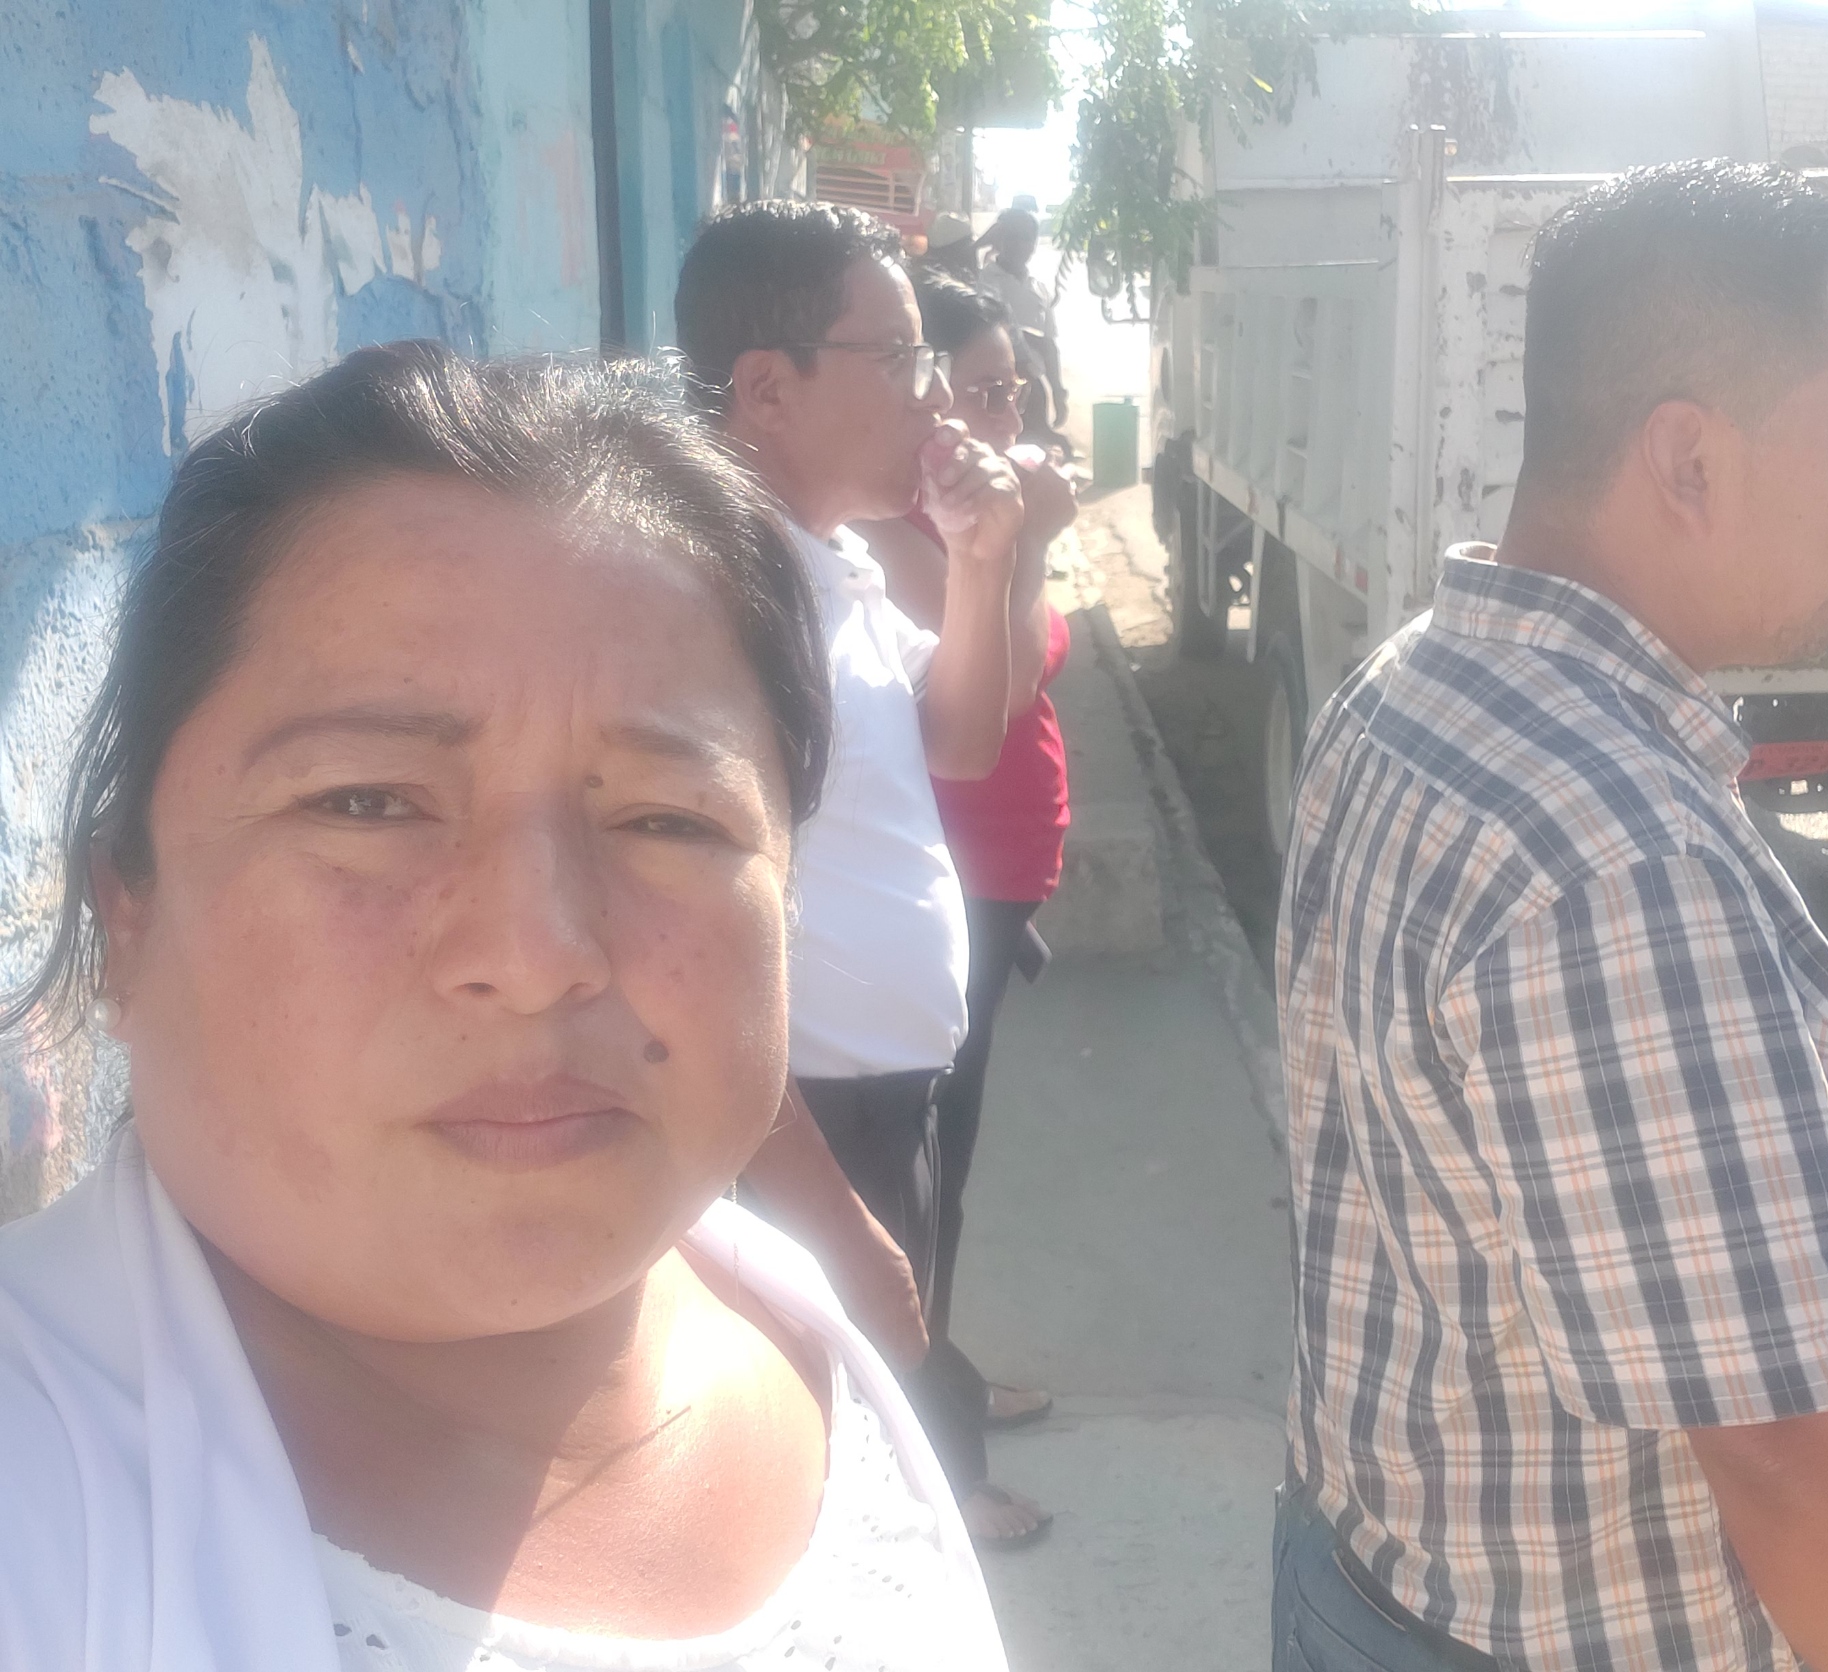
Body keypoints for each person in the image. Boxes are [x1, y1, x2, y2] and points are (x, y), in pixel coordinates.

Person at [0, 342, 1007, 1672]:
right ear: (127, 913)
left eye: (665, 817)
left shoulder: (792, 1326)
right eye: (367, 802)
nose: (538, 954)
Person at [1274, 161, 1828, 1672]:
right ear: (1687, 460)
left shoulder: (1409, 684)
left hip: (1357, 1575)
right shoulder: (1620, 865)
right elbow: (1798, 1458)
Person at [674, 200, 1051, 1547]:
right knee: (800, 1491)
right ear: (767, 388)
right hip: (800, 1131)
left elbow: (960, 737)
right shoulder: (719, 601)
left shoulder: (824, 562)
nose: (932, 397)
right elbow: (679, 952)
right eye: (895, 358)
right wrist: (827, 1215)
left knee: (854, 1471)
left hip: (886, 1100)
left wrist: (984, 561)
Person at [858, 272, 1075, 1445]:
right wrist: (1023, 546)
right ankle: (935, 1438)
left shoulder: (947, 523)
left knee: (951, 1157)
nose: (1002, 413)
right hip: (955, 876)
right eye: (980, 390)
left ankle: (943, 1376)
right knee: (924, 1167)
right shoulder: (896, 535)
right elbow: (1009, 679)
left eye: (1014, 389)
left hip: (993, 880)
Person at [975, 209, 1067, 437]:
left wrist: (1057, 391)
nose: (1019, 245)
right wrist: (1026, 340)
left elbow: (1049, 345)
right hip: (996, 390)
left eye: (1026, 238)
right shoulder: (983, 282)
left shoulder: (1039, 289)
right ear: (999, 239)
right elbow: (992, 331)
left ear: (1034, 244)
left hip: (1033, 389)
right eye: (1012, 236)